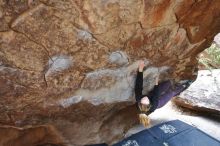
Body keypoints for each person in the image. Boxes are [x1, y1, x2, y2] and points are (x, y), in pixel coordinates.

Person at [135, 60, 192, 127]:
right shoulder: (154, 104)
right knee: (171, 93)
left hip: (152, 96)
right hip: (159, 102)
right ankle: (184, 86)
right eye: (147, 100)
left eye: (143, 98)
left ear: (140, 102)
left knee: (167, 83)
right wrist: (156, 82)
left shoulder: (138, 98)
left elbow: (138, 85)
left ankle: (173, 85)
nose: (145, 97)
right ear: (149, 104)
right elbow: (156, 93)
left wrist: (140, 70)